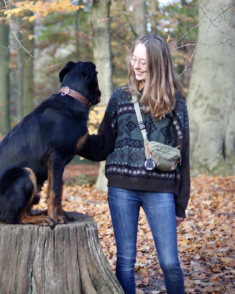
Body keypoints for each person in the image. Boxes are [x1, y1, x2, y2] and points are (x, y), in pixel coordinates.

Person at [78, 35, 190, 294]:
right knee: (125, 261)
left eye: (144, 62)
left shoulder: (175, 101)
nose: (137, 66)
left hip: (160, 189)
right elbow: (104, 144)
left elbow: (182, 155)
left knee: (170, 263)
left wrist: (180, 205)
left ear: (159, 64)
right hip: (121, 188)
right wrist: (73, 137)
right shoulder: (120, 97)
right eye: (134, 60)